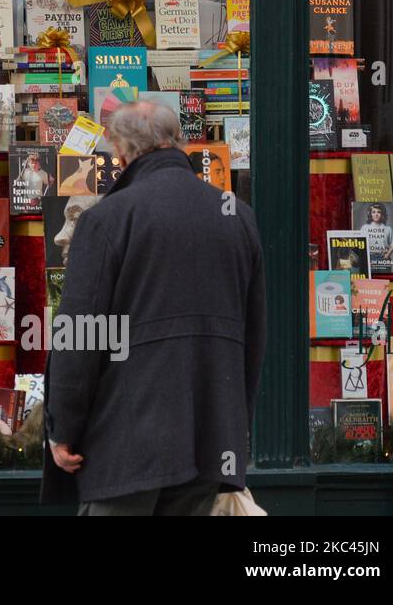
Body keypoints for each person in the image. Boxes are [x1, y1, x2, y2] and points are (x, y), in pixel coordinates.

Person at [43, 101, 266, 515]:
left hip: (124, 447)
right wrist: (234, 423)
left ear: (122, 149)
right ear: (177, 139)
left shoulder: (107, 219)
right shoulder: (236, 217)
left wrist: (64, 429)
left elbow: (80, 337)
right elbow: (252, 339)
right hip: (209, 438)